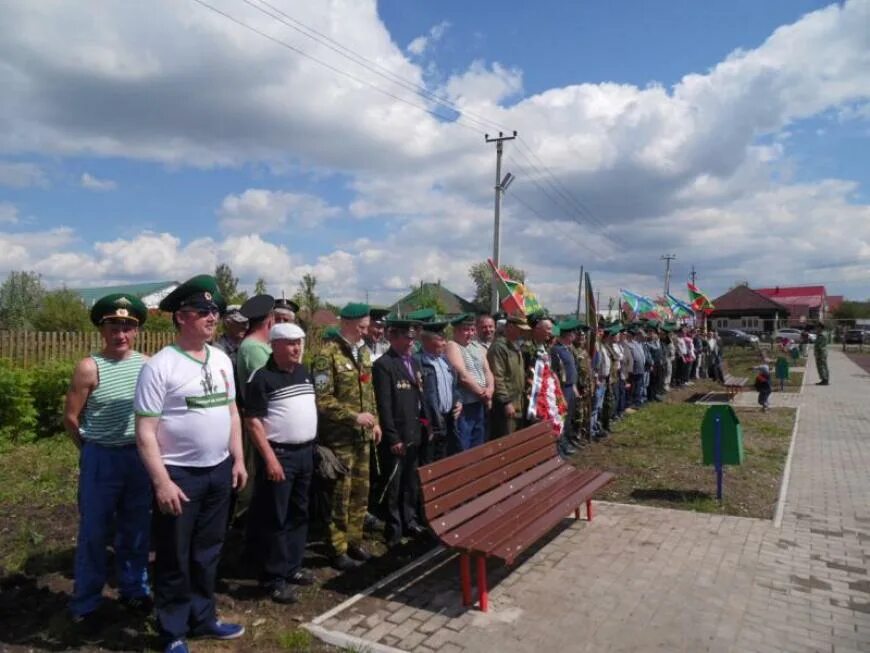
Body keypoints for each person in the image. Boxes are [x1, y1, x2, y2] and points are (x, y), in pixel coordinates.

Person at [134, 275, 247, 653]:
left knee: (208, 551)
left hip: (218, 470)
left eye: (214, 310)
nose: (212, 317)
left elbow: (232, 412)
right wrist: (162, 482)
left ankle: (203, 617)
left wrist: (238, 458)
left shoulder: (221, 359)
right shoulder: (160, 367)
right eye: (203, 311)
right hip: (179, 475)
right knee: (174, 556)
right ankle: (173, 630)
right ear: (181, 317)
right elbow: (145, 431)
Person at [63, 293, 152, 629]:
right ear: (103, 330)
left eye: (128, 327)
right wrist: (89, 450)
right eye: (114, 327)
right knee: (94, 531)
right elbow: (71, 418)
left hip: (138, 457)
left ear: (137, 331)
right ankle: (86, 601)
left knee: (136, 528)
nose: (121, 334)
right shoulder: (89, 367)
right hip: (101, 457)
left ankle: (134, 589)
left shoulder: (146, 364)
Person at [244, 323, 317, 604]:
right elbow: (253, 423)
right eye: (289, 343)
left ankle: (292, 567)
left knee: (300, 512)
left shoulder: (303, 372)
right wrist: (271, 459)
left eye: (299, 342)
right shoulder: (262, 378)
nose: (297, 348)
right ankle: (273, 578)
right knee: (276, 517)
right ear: (274, 346)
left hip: (305, 453)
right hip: (280, 456)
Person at [311, 303, 381, 570]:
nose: (366, 332)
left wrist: (376, 422)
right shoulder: (326, 355)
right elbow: (323, 399)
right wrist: (353, 417)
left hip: (362, 436)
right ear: (348, 324)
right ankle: (337, 548)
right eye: (362, 327)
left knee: (360, 494)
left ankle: (354, 541)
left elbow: (369, 390)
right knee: (340, 494)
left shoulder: (362, 353)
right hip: (339, 438)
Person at [372, 318, 428, 546]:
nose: (410, 342)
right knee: (394, 485)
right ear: (392, 337)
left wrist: (426, 424)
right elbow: (384, 405)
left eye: (413, 338)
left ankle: (410, 520)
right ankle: (394, 529)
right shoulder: (384, 364)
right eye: (406, 337)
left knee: (410, 482)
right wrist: (392, 436)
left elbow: (419, 396)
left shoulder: (413, 362)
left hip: (414, 431)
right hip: (397, 435)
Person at [445, 313, 494, 452]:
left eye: (472, 329)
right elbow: (462, 376)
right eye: (466, 330)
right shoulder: (452, 346)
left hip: (479, 403)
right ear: (455, 331)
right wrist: (482, 393)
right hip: (465, 405)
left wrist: (490, 389)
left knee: (478, 443)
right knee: (464, 446)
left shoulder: (477, 347)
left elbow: (487, 371)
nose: (470, 333)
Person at [416, 320, 460, 463]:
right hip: (430, 425)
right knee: (429, 464)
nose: (444, 343)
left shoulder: (444, 360)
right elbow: (416, 399)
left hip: (447, 421)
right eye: (440, 339)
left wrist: (459, 401)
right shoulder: (417, 362)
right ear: (426, 340)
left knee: (445, 461)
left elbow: (453, 386)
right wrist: (425, 422)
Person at [486, 315, 529, 439]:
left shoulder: (514, 346)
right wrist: (506, 402)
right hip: (506, 403)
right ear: (510, 327)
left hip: (517, 401)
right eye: (520, 329)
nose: (522, 332)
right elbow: (498, 376)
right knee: (506, 439)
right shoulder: (499, 347)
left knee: (515, 438)